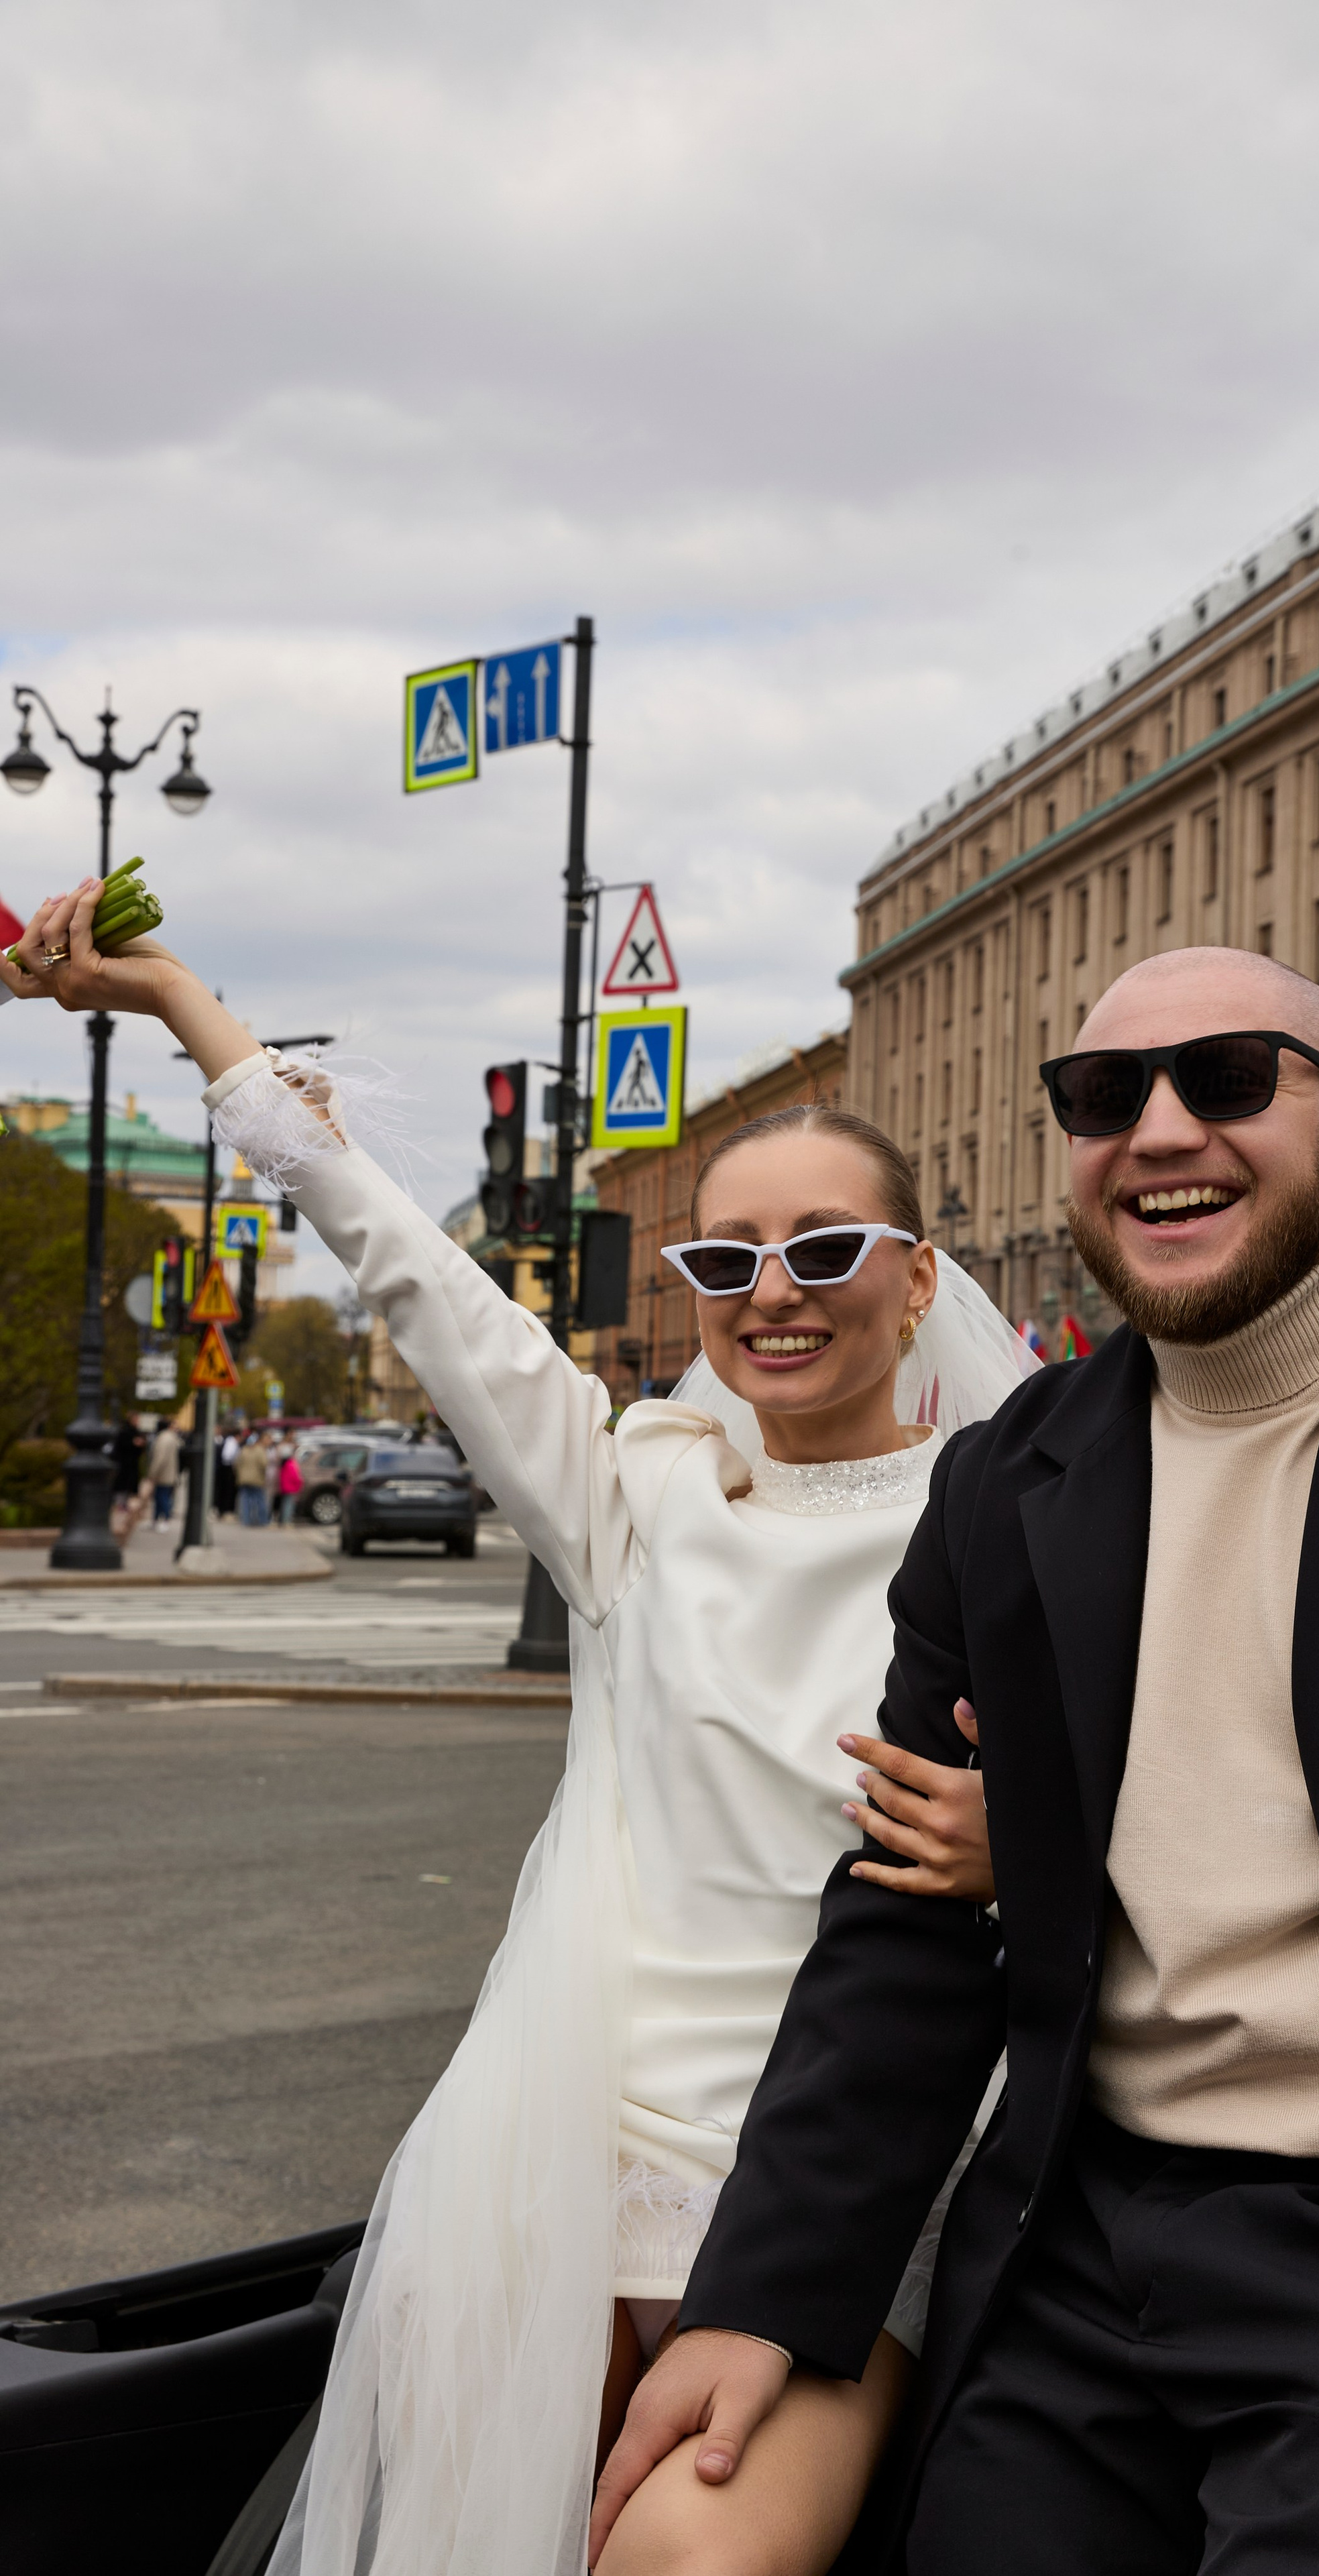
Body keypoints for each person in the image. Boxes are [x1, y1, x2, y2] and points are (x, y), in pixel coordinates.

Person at [601, 943, 1319, 2576]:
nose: (1161, 1128)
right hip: (1082, 2249)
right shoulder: (1009, 1482)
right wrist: (760, 2296)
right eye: (1103, 1093)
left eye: (1229, 1078)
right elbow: (904, 1926)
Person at [0, 879, 1036, 2576]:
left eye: (825, 1249)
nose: (772, 1292)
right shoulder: (635, 1492)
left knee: (689, 2560)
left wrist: (1027, 1844)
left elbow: (1197, 1794)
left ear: (917, 1278)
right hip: (566, 2153)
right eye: (725, 1257)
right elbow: (408, 1269)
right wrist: (177, 996)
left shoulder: (1019, 1522)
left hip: (844, 2178)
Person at [108, 1410, 145, 1536]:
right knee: (122, 1484)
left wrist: (139, 1444)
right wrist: (133, 1443)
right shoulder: (125, 1432)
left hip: (132, 1464)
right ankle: (120, 1504)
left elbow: (141, 1447)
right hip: (124, 1464)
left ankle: (125, 1503)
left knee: (129, 1484)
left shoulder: (137, 1432)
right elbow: (120, 1446)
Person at [144, 1416, 181, 1525]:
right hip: (168, 1473)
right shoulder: (171, 1437)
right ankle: (156, 1520)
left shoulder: (163, 1439)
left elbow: (159, 1458)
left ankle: (165, 1520)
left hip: (163, 1474)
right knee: (161, 1496)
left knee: (162, 1497)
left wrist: (152, 1473)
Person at [235, 1433, 270, 1526]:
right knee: (260, 1501)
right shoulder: (260, 1451)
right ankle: (262, 1520)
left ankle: (246, 1520)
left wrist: (240, 1475)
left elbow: (237, 1464)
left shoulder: (243, 1450)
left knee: (246, 1501)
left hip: (244, 1480)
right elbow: (264, 1464)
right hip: (257, 1480)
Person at [277, 1440, 303, 1523]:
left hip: (285, 1487)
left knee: (285, 1504)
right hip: (291, 1488)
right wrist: (299, 1483)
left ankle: (284, 1519)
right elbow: (295, 1476)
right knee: (289, 1505)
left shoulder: (283, 1465)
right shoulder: (291, 1464)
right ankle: (286, 1520)